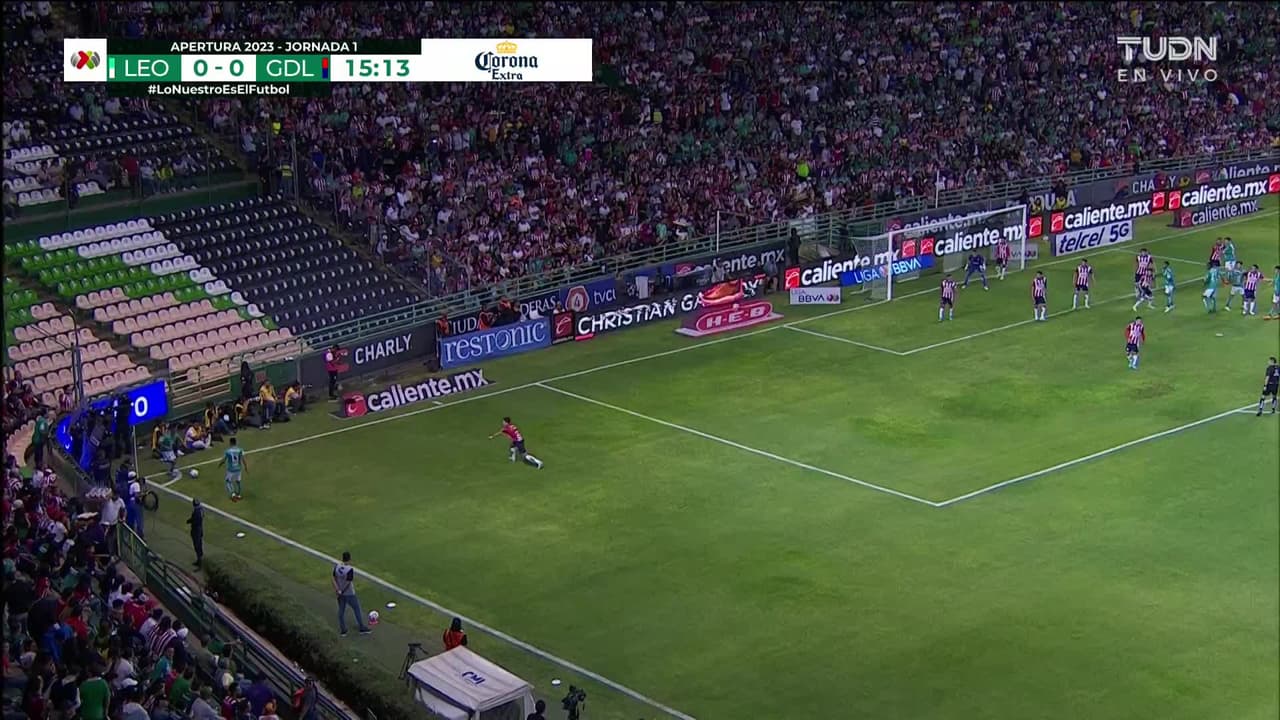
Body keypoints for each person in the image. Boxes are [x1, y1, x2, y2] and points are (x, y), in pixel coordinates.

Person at [333, 551, 372, 636]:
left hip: (340, 593)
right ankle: (361, 628)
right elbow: (348, 583)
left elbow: (334, 578)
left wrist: (337, 590)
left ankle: (343, 630)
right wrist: (342, 591)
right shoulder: (349, 569)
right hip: (349, 593)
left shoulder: (337, 566)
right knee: (357, 608)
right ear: (349, 559)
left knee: (341, 611)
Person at [217, 437, 245, 501]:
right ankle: (239, 495)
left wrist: (219, 464)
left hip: (231, 469)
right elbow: (243, 459)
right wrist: (246, 467)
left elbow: (224, 460)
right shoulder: (240, 450)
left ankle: (233, 495)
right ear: (236, 442)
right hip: (238, 468)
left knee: (228, 481)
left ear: (230, 443)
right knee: (238, 481)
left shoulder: (228, 451)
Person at [187, 499, 205, 568]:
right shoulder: (201, 509)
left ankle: (199, 561)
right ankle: (201, 559)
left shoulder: (196, 511)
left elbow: (195, 521)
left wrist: (189, 521)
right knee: (199, 545)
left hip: (196, 530)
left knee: (197, 546)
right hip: (200, 529)